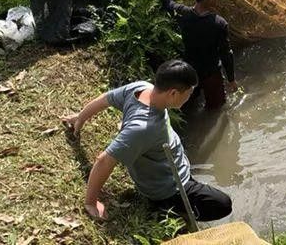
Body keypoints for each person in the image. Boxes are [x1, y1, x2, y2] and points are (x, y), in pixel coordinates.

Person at [62, 60, 232, 221]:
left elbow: (106, 98)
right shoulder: (144, 128)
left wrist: (80, 118)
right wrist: (90, 202)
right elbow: (104, 160)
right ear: (173, 93)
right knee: (224, 204)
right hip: (168, 189)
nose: (189, 98)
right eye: (188, 94)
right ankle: (173, 212)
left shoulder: (142, 88)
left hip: (171, 164)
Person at [160, 0, 237, 110]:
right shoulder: (219, 24)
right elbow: (226, 54)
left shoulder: (183, 14)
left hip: (189, 73)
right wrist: (231, 80)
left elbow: (165, 1)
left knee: (187, 109)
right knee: (216, 111)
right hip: (211, 75)